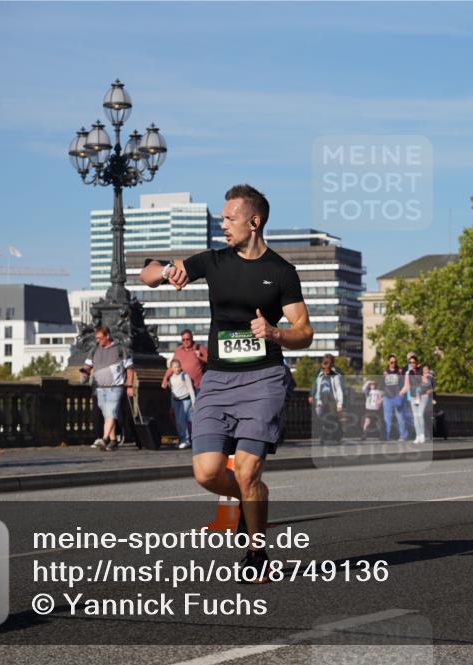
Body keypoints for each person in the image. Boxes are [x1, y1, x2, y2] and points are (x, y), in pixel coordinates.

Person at [140, 184, 313, 583]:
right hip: (217, 381)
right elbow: (146, 273)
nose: (223, 225)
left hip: (263, 380)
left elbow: (304, 331)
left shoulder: (280, 272)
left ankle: (256, 553)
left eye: (229, 218)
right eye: (222, 218)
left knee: (248, 470)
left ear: (254, 222)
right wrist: (166, 271)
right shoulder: (213, 262)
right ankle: (254, 497)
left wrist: (275, 333)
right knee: (207, 472)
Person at [81, 325, 135, 451]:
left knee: (110, 413)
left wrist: (129, 385)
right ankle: (113, 440)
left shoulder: (120, 349)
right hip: (100, 388)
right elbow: (87, 365)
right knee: (107, 415)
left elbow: (130, 369)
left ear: (108, 336)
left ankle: (104, 439)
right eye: (96, 338)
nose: (98, 341)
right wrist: (84, 373)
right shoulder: (94, 350)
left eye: (100, 338)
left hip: (115, 387)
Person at [308, 354, 345, 443]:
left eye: (328, 362)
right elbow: (315, 384)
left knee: (332, 417)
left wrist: (340, 403)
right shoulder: (320, 372)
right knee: (322, 417)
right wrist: (311, 394)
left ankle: (330, 436)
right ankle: (330, 434)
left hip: (332, 400)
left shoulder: (336, 373)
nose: (325, 370)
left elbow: (340, 388)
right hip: (321, 400)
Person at [162, 358, 196, 450]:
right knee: (178, 422)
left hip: (186, 400)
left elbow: (190, 389)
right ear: (171, 368)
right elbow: (172, 392)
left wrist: (194, 402)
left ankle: (186, 440)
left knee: (182, 420)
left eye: (178, 367)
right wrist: (172, 405)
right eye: (175, 367)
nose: (177, 369)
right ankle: (181, 439)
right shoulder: (171, 378)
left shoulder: (185, 376)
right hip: (176, 401)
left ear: (180, 367)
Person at [404, 361, 435, 444]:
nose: (425, 370)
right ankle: (418, 435)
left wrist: (429, 390)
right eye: (423, 369)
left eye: (426, 369)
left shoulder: (430, 377)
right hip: (415, 397)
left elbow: (432, 387)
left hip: (424, 397)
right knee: (416, 416)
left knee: (420, 415)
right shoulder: (418, 376)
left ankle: (423, 435)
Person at [381, 354, 409, 441]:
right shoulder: (385, 372)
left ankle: (403, 436)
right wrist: (381, 395)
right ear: (388, 362)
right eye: (392, 362)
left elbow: (404, 383)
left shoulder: (400, 371)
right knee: (387, 418)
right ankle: (386, 436)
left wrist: (402, 393)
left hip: (398, 396)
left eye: (395, 362)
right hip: (387, 397)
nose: (393, 363)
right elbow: (382, 385)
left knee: (400, 417)